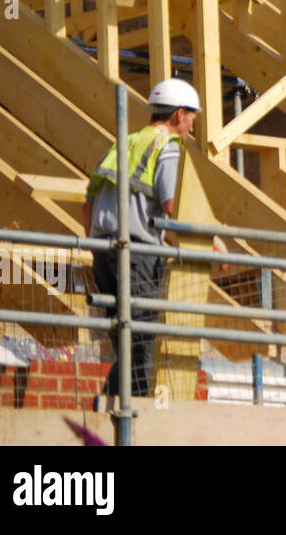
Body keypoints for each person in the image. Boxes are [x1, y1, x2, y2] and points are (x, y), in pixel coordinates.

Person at [81, 78, 200, 399]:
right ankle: (129, 422)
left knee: (129, 348)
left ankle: (111, 417)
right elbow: (173, 206)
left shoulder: (123, 142)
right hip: (137, 258)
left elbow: (87, 205)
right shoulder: (169, 147)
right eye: (192, 117)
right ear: (178, 114)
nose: (192, 126)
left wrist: (95, 248)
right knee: (144, 347)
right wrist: (205, 241)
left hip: (104, 253)